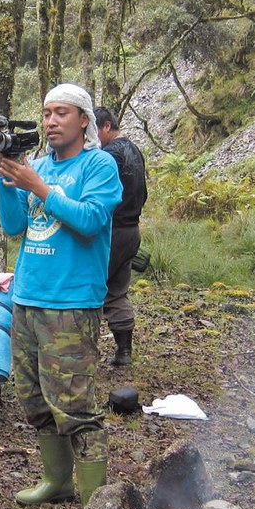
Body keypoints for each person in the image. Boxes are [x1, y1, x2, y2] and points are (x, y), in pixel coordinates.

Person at [0, 83, 123, 506]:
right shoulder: (40, 167)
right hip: (28, 297)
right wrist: (5, 181)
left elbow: (90, 221)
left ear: (84, 120)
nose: (51, 121)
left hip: (71, 302)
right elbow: (16, 227)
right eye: (47, 113)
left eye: (61, 113)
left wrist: (41, 188)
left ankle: (95, 501)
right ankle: (57, 481)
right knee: (33, 397)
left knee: (77, 405)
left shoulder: (99, 166)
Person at [94, 106, 148, 367]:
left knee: (90, 286)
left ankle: (82, 352)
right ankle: (124, 352)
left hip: (111, 231)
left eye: (94, 130)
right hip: (132, 231)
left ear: (106, 126)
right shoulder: (135, 151)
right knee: (116, 291)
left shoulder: (108, 156)